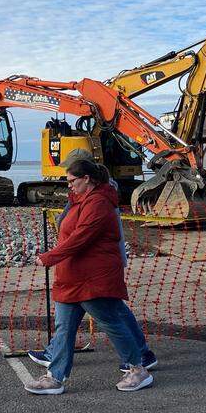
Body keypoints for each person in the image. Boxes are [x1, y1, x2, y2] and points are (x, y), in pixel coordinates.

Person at [26, 159, 153, 395]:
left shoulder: (99, 203)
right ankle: (55, 377)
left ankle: (138, 368)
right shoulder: (79, 200)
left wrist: (49, 257)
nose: (69, 186)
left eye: (73, 181)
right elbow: (72, 235)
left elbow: (81, 237)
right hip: (72, 276)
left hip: (94, 277)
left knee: (112, 323)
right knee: (64, 328)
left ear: (87, 179)